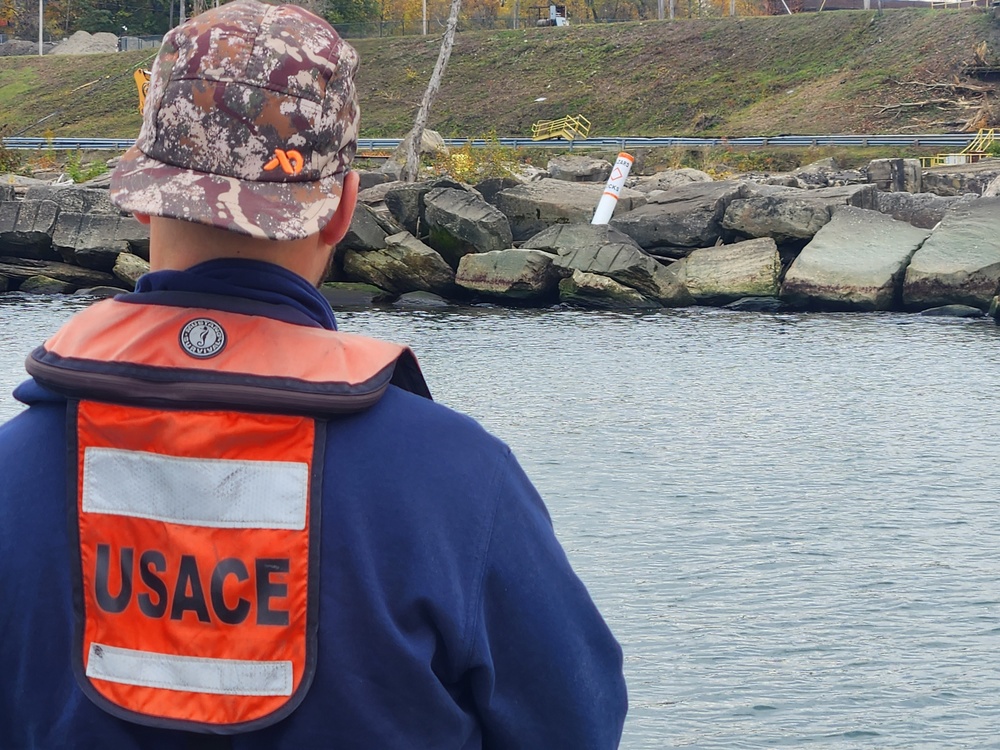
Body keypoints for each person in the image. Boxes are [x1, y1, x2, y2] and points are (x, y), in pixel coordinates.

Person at [0, 1, 627, 748]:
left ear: (140, 202)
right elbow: (576, 723)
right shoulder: (458, 481)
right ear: (342, 211)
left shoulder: (13, 473)